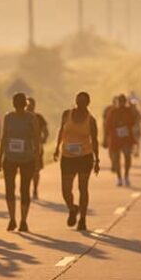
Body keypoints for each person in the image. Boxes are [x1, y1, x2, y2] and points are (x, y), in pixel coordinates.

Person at [53, 92, 100, 231]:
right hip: (67, 157)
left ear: (87, 103)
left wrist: (97, 160)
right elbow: (61, 131)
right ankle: (72, 208)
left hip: (85, 156)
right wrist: (56, 148)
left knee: (83, 188)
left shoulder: (91, 120)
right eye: (78, 101)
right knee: (66, 189)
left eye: (83, 102)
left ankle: (83, 220)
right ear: (75, 101)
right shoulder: (66, 114)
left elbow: (95, 140)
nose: (80, 104)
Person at [0, 92, 42, 232]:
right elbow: (4, 138)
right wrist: (0, 158)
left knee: (24, 189)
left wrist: (37, 158)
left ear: (24, 104)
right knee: (9, 189)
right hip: (10, 158)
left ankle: (23, 220)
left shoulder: (31, 118)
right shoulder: (8, 117)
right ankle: (12, 219)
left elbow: (36, 139)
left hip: (27, 158)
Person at [105, 94, 137, 186]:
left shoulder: (128, 111)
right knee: (116, 159)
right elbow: (107, 125)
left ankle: (126, 176)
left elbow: (133, 121)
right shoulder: (113, 112)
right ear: (117, 102)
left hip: (126, 139)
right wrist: (105, 138)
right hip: (115, 139)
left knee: (127, 157)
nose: (122, 103)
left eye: (123, 101)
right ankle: (119, 178)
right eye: (120, 101)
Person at [26, 97, 49, 199]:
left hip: (36, 147)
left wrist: (43, 140)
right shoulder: (21, 117)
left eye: (32, 105)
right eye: (28, 105)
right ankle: (25, 188)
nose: (30, 107)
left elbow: (46, 131)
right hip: (25, 148)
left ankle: (35, 189)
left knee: (36, 169)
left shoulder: (39, 117)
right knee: (26, 169)